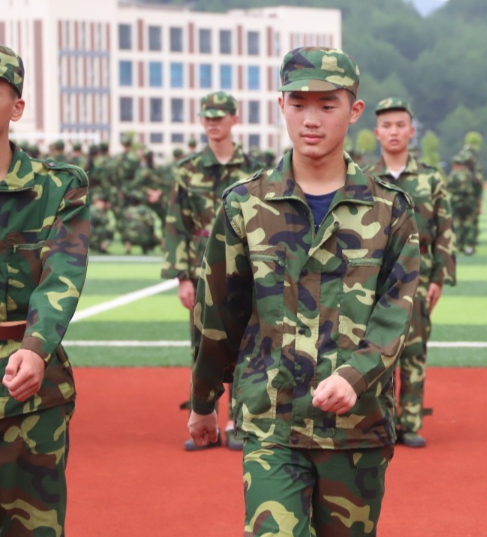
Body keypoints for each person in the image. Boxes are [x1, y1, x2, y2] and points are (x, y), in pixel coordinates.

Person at [188, 46, 420, 537]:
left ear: (354, 110)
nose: (311, 120)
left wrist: (354, 376)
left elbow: (396, 314)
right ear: (281, 106)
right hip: (271, 422)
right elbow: (218, 314)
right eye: (298, 104)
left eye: (327, 105)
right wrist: (204, 401)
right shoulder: (244, 205)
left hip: (356, 429)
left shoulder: (389, 210)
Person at [0, 44, 89, 536]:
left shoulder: (56, 188)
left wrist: (36, 348)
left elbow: (63, 274)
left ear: (17, 108)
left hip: (29, 391)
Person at [160, 91, 259, 451]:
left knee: (246, 344)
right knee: (203, 344)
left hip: (244, 268)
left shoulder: (255, 169)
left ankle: (238, 423)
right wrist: (182, 277)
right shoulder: (187, 171)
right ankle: (206, 421)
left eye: (220, 117)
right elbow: (176, 225)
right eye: (208, 117)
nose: (213, 123)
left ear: (235, 119)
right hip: (202, 268)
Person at [369, 97, 456, 447]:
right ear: (377, 132)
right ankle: (381, 422)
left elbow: (445, 229)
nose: (394, 131)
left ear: (411, 131)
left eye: (400, 125)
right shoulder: (365, 178)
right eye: (387, 126)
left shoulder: (431, 178)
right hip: (376, 278)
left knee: (414, 350)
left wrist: (440, 279)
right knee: (376, 348)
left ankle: (410, 422)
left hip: (418, 276)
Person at [447, 155, 480, 255]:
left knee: (457, 223)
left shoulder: (453, 175)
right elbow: (478, 189)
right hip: (470, 202)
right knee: (469, 224)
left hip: (457, 202)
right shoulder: (472, 174)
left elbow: (448, 187)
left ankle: (458, 245)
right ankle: (470, 246)